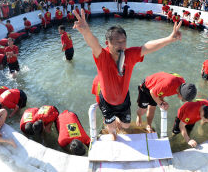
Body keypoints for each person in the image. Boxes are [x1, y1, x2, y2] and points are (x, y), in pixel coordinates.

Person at [73, 8, 182, 140]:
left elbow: (146, 47)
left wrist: (169, 39)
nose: (122, 45)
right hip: (106, 100)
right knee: (112, 128)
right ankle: (112, 131)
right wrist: (86, 32)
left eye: (124, 41)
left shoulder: (129, 55)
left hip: (123, 99)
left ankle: (116, 121)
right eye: (118, 42)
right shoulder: (102, 57)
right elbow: (93, 43)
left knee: (125, 125)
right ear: (108, 43)